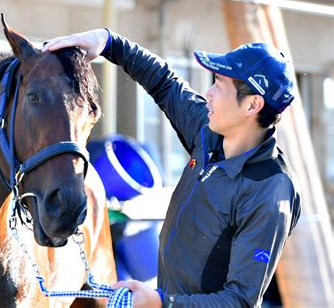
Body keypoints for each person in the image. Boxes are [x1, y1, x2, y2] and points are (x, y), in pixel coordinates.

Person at [43, 29, 301, 307]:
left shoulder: (270, 191)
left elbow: (238, 301)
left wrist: (160, 302)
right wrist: (109, 42)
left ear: (253, 104)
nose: (208, 93)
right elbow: (164, 82)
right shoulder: (209, 132)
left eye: (219, 85)